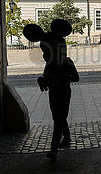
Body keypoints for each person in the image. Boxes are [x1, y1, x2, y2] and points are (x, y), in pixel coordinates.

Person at [23, 19, 79, 161]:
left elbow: (76, 77)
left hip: (63, 90)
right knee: (57, 116)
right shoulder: (50, 65)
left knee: (58, 119)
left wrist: (61, 79)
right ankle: (66, 137)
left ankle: (54, 149)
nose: (46, 55)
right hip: (56, 90)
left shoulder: (66, 63)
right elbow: (47, 76)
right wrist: (44, 80)